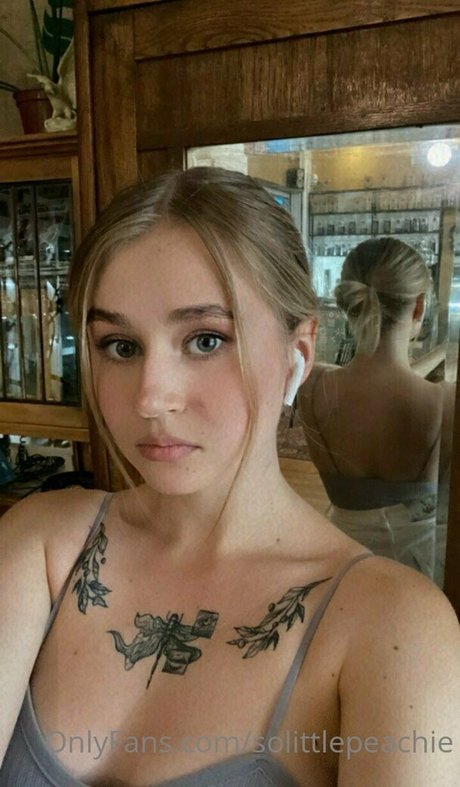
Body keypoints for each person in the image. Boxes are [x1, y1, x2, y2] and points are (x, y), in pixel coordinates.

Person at [0, 169, 459, 787]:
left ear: (299, 355)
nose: (151, 398)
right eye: (121, 346)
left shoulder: (393, 629)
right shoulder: (41, 544)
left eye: (205, 340)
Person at [299, 237, 454, 582]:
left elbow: (376, 381)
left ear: (350, 303)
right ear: (419, 307)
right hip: (418, 578)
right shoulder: (443, 402)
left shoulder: (313, 386)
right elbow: (397, 387)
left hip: (340, 570)